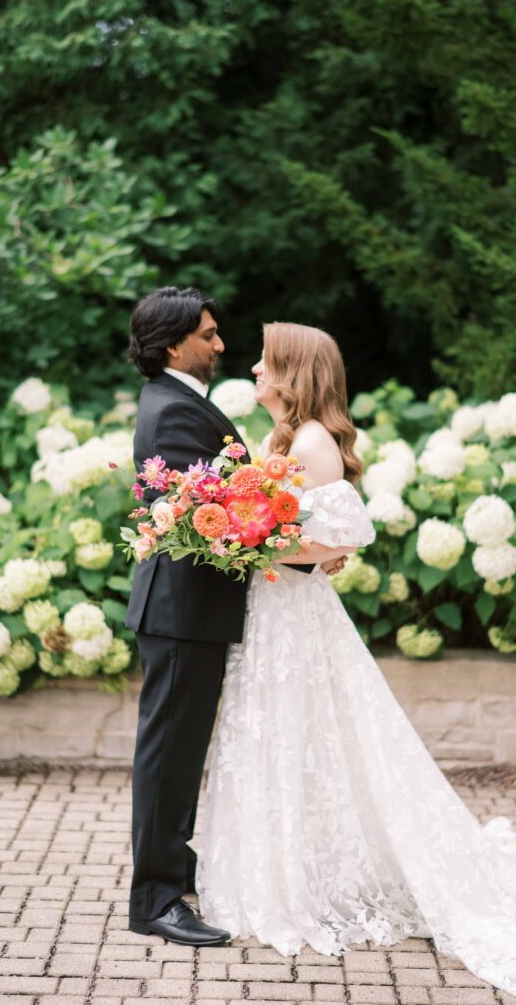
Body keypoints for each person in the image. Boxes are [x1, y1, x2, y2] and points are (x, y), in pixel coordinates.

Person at [196, 321, 516, 1005]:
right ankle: (281, 869)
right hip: (276, 613)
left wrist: (246, 549)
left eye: (263, 361)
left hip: (292, 617)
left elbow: (340, 533)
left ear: (291, 373)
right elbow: (306, 533)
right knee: (283, 734)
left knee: (300, 733)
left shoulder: (309, 442)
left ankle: (297, 882)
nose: (250, 368)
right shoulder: (287, 438)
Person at [124, 289, 345, 948]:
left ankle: (173, 872)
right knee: (167, 755)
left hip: (194, 610)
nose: (221, 347)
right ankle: (155, 900)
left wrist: (303, 548)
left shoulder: (183, 404)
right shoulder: (173, 413)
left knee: (182, 750)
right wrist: (307, 552)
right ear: (173, 345)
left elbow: (235, 515)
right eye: (210, 335)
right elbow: (218, 521)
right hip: (181, 611)